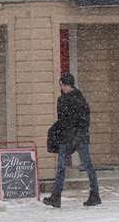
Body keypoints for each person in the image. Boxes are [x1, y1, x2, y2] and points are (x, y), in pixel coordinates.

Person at [43, 73, 101, 208]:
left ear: (71, 85)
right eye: (62, 85)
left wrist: (75, 132)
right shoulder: (63, 100)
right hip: (68, 137)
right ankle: (56, 196)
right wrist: (54, 130)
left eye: (65, 85)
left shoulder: (79, 99)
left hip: (78, 137)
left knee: (86, 165)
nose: (63, 88)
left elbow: (83, 119)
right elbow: (63, 120)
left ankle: (94, 193)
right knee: (61, 166)